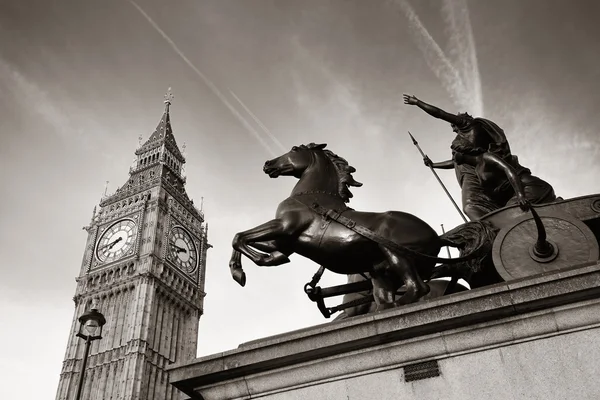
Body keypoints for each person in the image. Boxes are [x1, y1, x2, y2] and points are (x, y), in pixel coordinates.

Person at [403, 94, 557, 220]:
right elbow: (454, 162)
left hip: (530, 188)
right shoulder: (476, 162)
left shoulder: (469, 127)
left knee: (507, 213)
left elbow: (440, 114)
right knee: (494, 210)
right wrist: (433, 164)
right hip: (513, 188)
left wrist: (418, 102)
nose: (453, 128)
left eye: (454, 125)